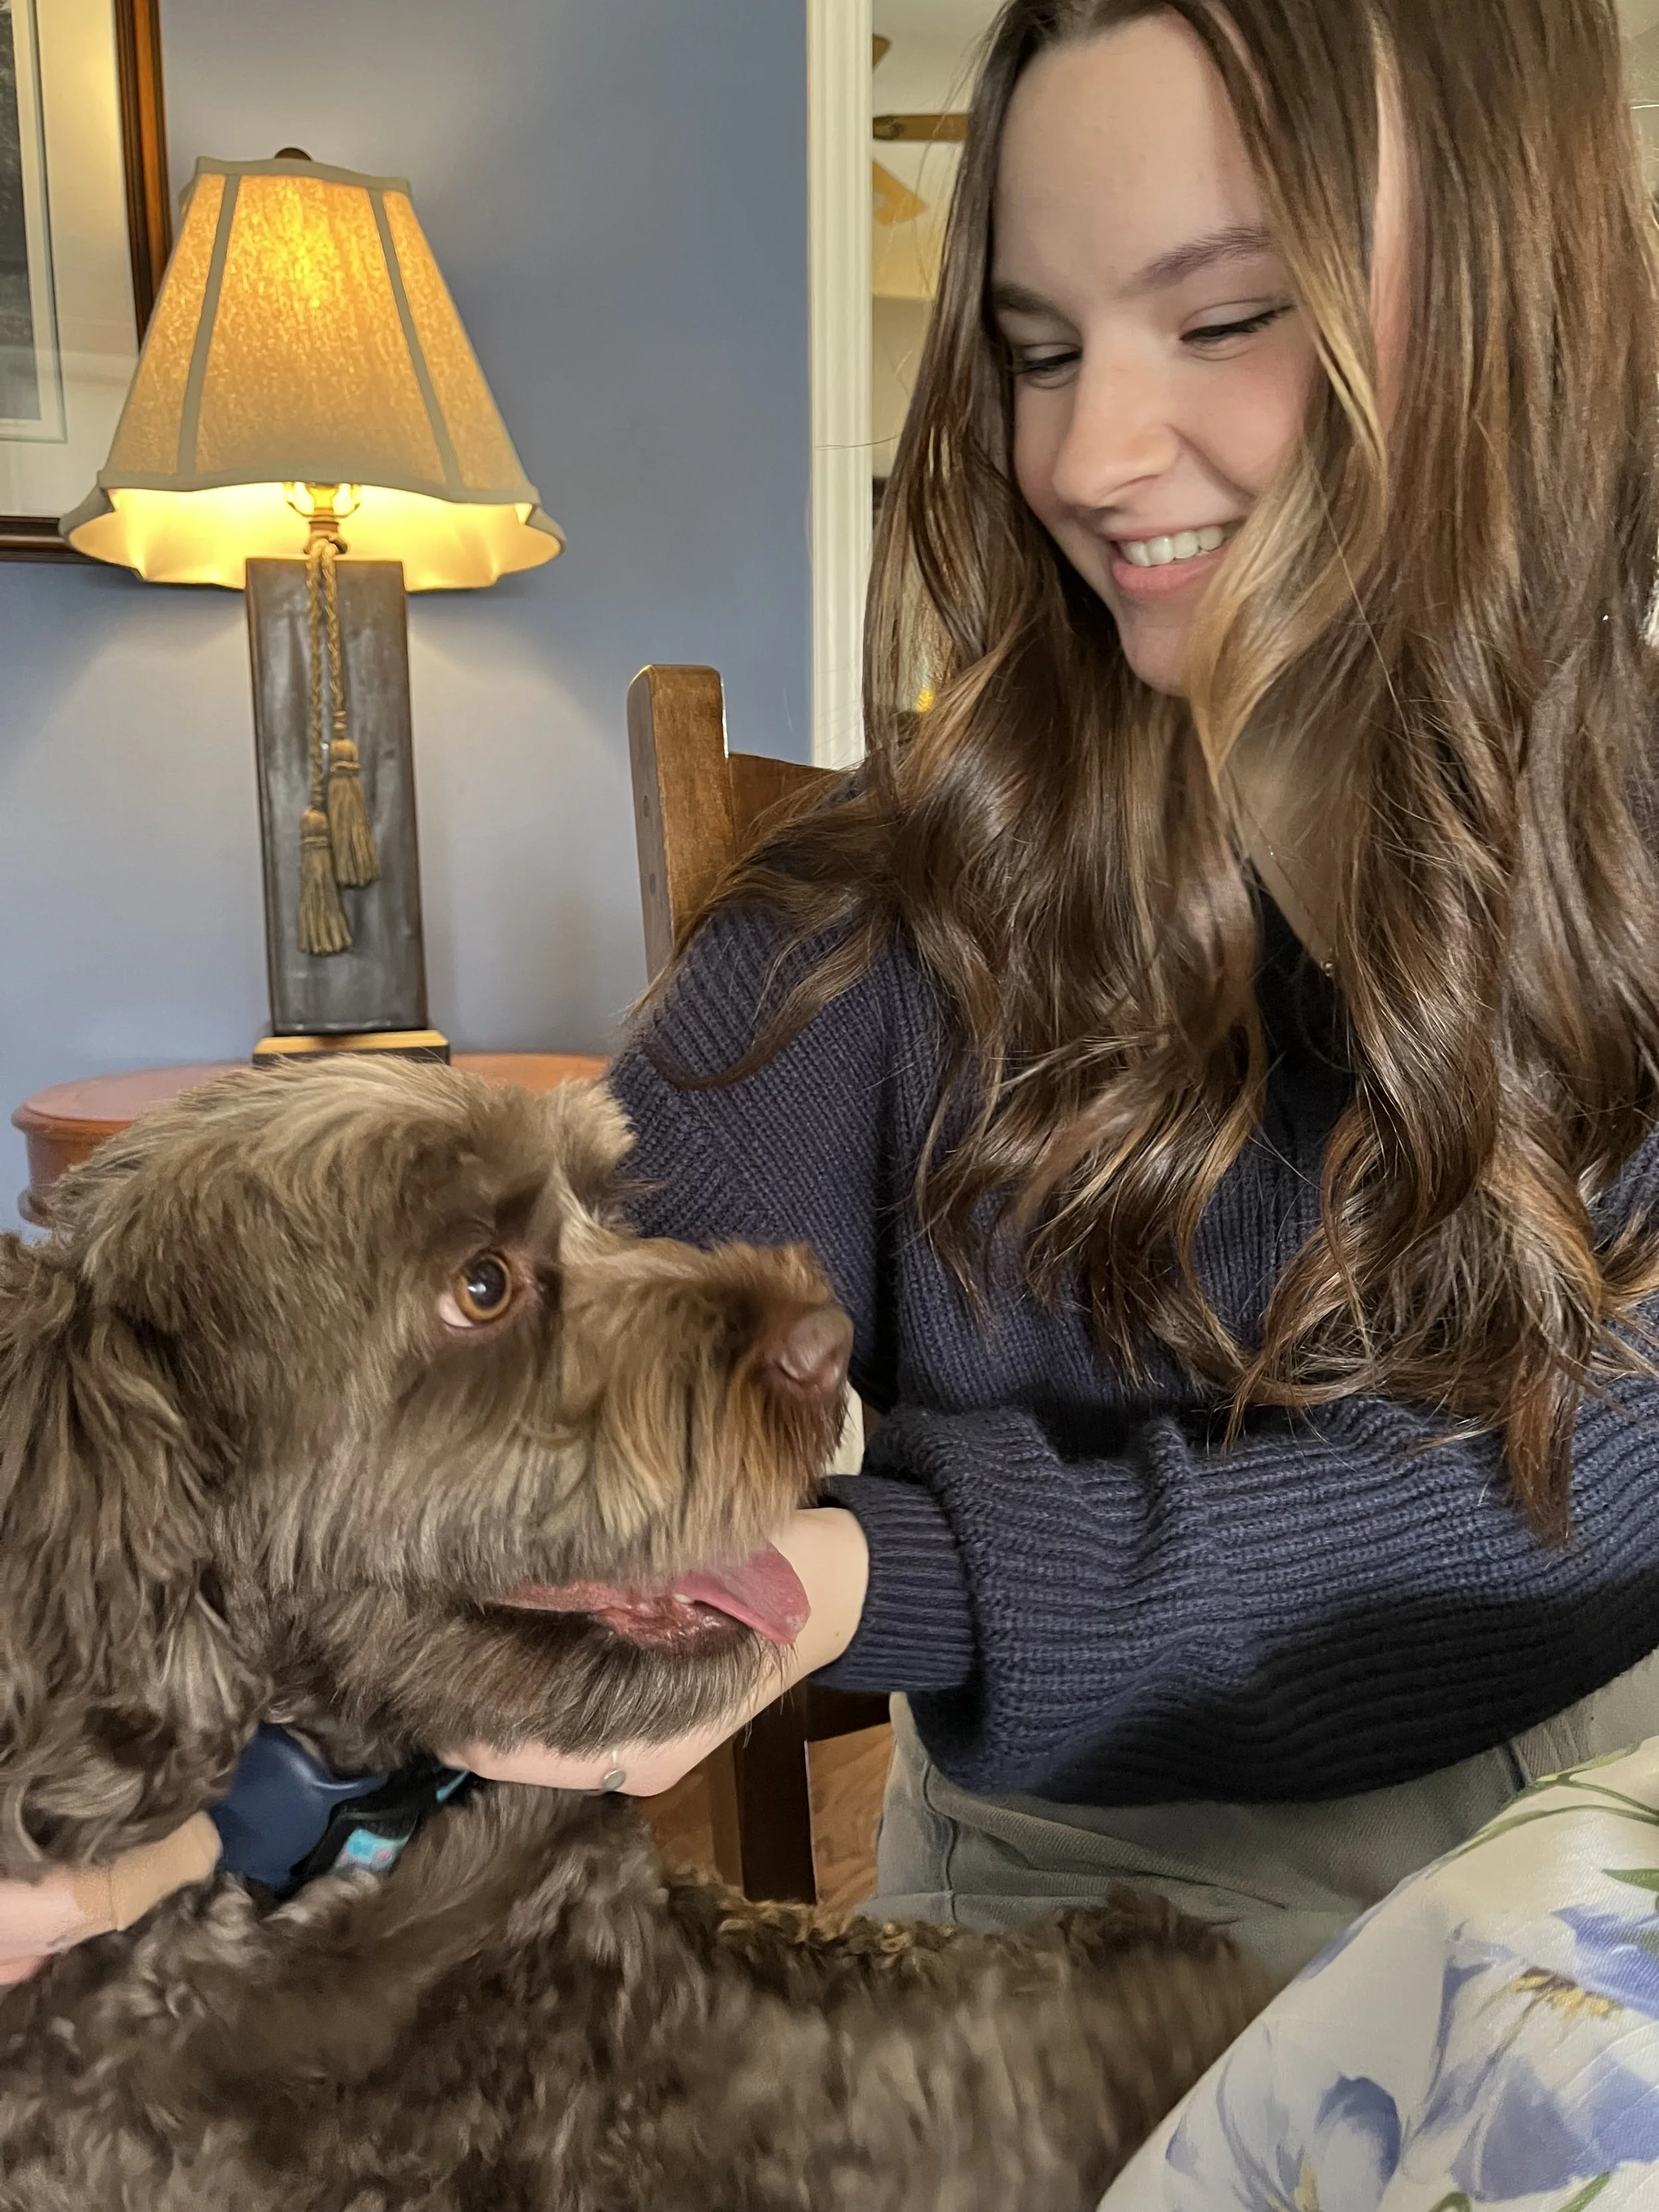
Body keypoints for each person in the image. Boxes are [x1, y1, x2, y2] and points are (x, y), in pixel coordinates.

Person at [10, 0, 1659, 1990]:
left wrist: (891, 1564)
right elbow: (456, 1440)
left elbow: (1565, 1503)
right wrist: (208, 1816)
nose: (1083, 451)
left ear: (1511, 305)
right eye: (1035, 348)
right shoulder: (871, 925)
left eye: (1221, 320)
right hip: (1075, 1912)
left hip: (1600, 1847)